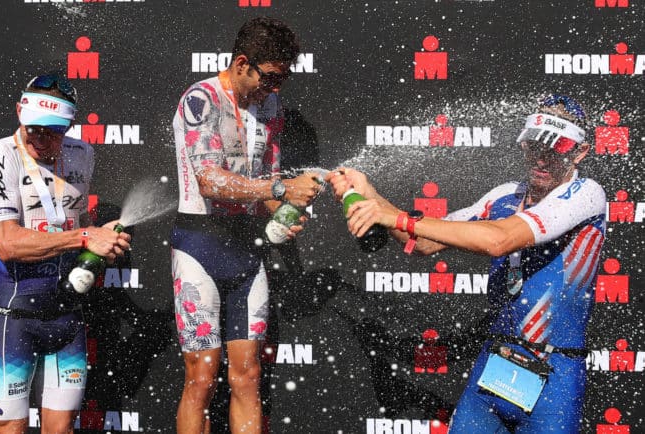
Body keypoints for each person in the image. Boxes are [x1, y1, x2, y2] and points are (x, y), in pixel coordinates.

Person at [327, 94, 606, 433]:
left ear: (580, 152)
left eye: (555, 149)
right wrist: (371, 195)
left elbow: (498, 239)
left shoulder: (587, 194)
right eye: (535, 146)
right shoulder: (504, 195)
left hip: (555, 375)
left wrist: (394, 217)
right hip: (494, 365)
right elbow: (425, 243)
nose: (541, 159)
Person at [170, 16, 322, 434]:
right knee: (202, 375)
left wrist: (284, 209)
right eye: (271, 77)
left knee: (249, 376)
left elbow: (266, 189)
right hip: (198, 246)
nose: (275, 88)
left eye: (282, 79)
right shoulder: (201, 99)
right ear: (242, 63)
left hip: (246, 250)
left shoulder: (269, 107)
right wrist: (280, 187)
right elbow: (210, 179)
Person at [0, 72, 132, 434]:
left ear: (70, 126)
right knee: (9, 429)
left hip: (68, 314)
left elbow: (73, 222)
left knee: (60, 430)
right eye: (35, 129)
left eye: (54, 131)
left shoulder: (82, 153)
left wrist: (101, 239)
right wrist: (84, 237)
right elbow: (8, 243)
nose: (43, 139)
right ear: (19, 113)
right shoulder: (0, 155)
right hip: (17, 316)